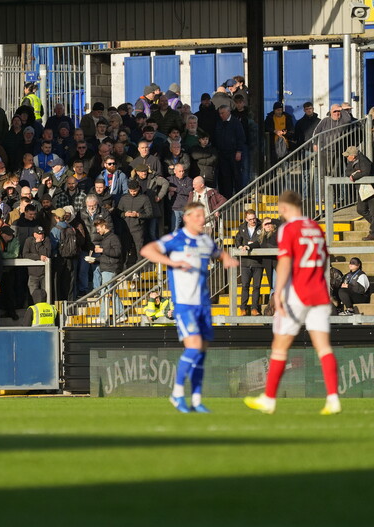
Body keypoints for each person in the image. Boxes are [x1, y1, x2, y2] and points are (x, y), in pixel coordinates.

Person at [244, 190, 342, 416]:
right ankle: (333, 398)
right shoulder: (315, 227)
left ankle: (269, 399)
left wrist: (278, 292)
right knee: (323, 347)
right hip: (319, 292)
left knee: (280, 346)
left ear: (286, 207)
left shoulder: (288, 228)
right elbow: (324, 257)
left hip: (298, 293)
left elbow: (286, 261)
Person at [140, 202, 239, 413]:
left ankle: (196, 399)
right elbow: (147, 249)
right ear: (186, 218)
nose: (202, 220)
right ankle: (176, 394)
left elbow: (217, 253)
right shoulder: (176, 239)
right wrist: (172, 263)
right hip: (184, 304)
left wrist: (226, 258)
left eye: (203, 216)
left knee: (201, 352)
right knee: (193, 347)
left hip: (203, 305)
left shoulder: (204, 240)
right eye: (198, 216)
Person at [345, 146, 374, 241]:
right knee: (361, 209)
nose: (347, 157)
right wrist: (355, 173)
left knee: (373, 211)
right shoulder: (351, 162)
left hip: (371, 189)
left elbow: (366, 171)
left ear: (353, 156)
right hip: (363, 189)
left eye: (348, 156)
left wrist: (355, 175)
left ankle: (373, 233)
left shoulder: (364, 160)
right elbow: (347, 172)